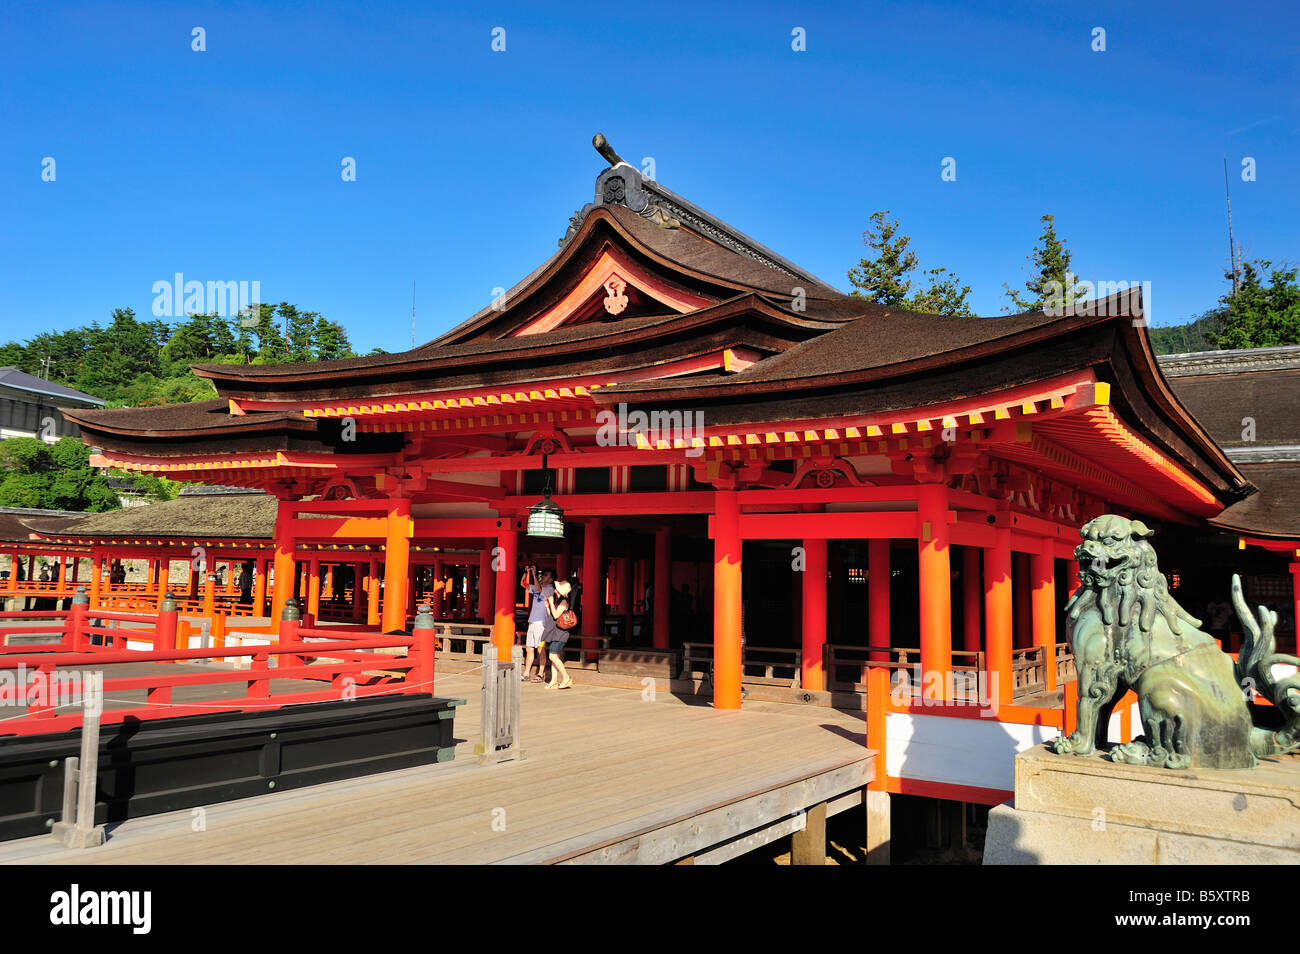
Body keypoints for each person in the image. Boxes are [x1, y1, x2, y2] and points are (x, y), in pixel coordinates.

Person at [522, 566, 554, 682]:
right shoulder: (537, 586)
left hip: (542, 624)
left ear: (550, 580)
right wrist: (527, 573)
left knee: (541, 649)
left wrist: (535, 575)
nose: (543, 577)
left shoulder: (550, 589)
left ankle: (540, 673)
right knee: (529, 648)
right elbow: (523, 584)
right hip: (532, 621)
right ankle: (526, 673)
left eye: (546, 575)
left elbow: (539, 589)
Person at [543, 580, 574, 690]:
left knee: (553, 656)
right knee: (554, 657)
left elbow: (556, 615)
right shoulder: (559, 600)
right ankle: (554, 681)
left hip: (561, 633)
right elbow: (551, 616)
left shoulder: (564, 601)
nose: (554, 588)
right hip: (556, 632)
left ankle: (566, 677)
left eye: (556, 587)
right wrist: (548, 606)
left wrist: (551, 603)